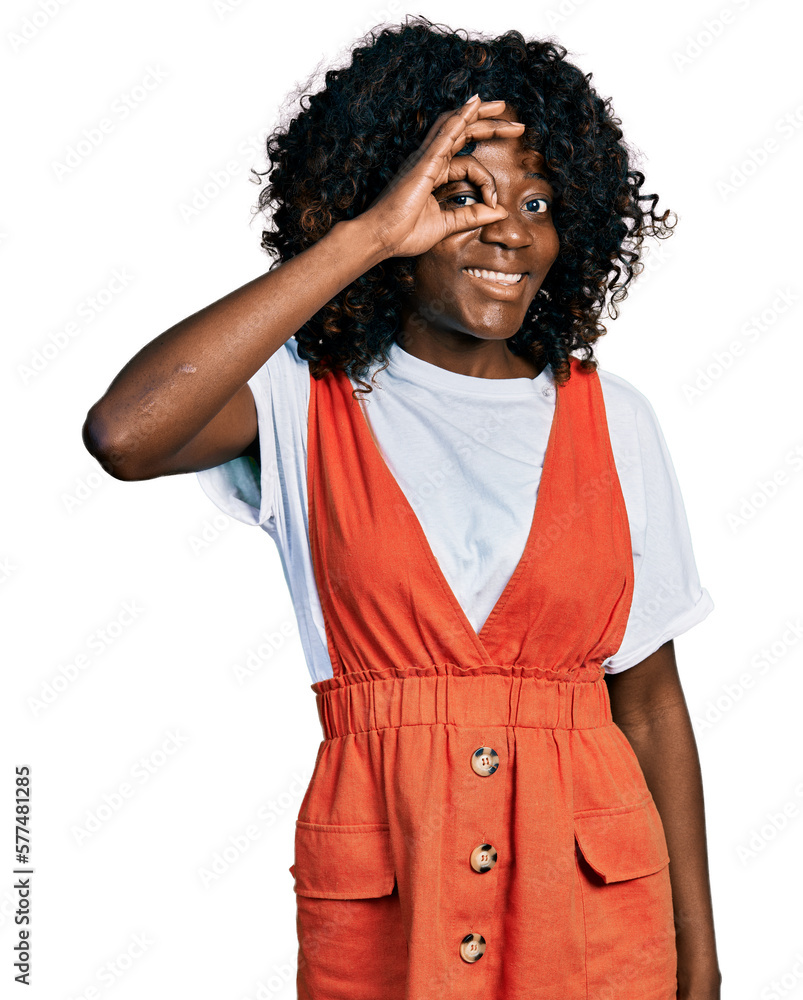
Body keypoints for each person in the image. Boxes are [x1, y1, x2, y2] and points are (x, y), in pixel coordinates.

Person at [82, 16, 722, 999]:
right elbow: (126, 433)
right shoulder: (299, 399)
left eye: (539, 199)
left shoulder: (613, 419)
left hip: (594, 912)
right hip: (391, 905)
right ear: (386, 193)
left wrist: (700, 960)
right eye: (460, 195)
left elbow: (646, 704)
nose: (510, 229)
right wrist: (365, 240)